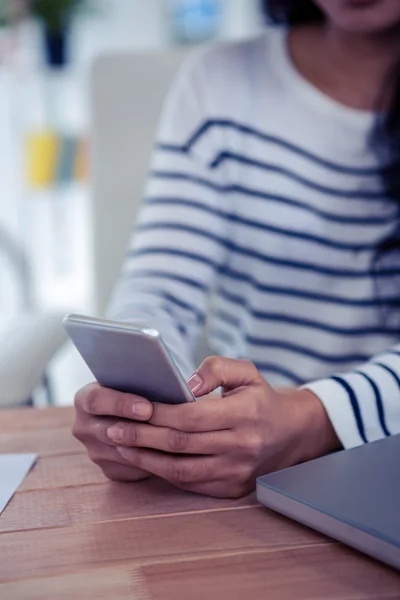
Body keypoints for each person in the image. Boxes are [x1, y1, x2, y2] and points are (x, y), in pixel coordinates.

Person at [73, 0, 400, 498]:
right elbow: (160, 285)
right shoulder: (219, 82)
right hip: (246, 474)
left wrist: (313, 419)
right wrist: (140, 406)